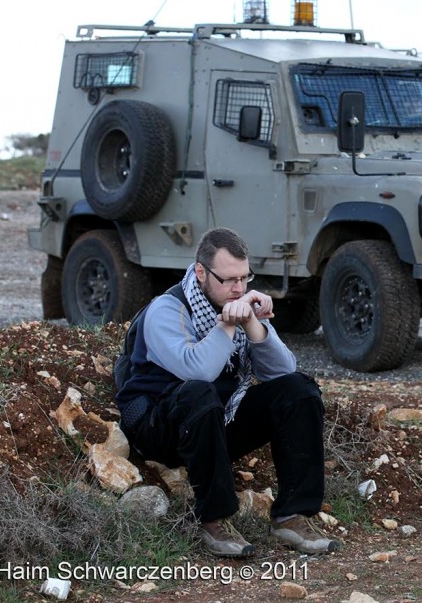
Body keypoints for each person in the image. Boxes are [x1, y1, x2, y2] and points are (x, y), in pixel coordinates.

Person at [116, 227, 339, 557]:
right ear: (201, 272)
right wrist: (227, 324)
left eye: (244, 278)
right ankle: (214, 519)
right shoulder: (166, 310)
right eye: (229, 280)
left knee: (299, 390)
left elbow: (281, 371)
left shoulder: (235, 303)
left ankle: (292, 516)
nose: (238, 288)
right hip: (159, 427)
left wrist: (251, 323)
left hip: (212, 425)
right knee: (198, 393)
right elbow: (197, 371)